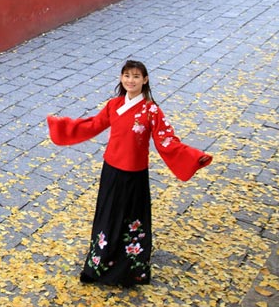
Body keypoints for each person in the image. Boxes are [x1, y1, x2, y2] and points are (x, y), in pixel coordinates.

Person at [46, 60, 212, 286]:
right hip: (111, 170)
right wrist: (62, 127)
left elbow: (166, 140)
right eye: (126, 75)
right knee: (107, 217)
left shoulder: (152, 110)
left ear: (145, 80)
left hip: (135, 173)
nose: (130, 80)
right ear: (121, 78)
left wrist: (193, 157)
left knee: (133, 221)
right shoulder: (114, 105)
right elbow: (92, 125)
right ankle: (96, 267)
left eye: (135, 76)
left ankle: (132, 270)